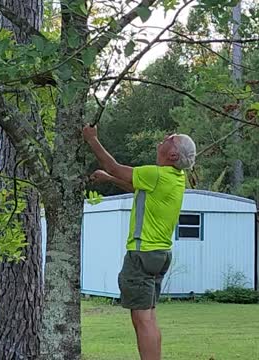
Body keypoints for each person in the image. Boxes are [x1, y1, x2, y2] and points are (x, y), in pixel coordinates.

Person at [82, 124, 196, 360]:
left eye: (169, 139)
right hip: (159, 255)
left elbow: (112, 165)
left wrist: (92, 139)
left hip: (141, 254)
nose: (164, 138)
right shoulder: (175, 176)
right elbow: (136, 187)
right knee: (149, 317)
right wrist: (109, 179)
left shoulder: (157, 174)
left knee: (142, 320)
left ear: (172, 155)